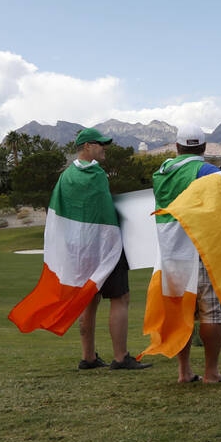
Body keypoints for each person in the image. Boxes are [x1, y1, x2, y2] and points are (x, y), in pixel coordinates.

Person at [149, 124, 221, 384]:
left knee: (181, 310)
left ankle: (184, 371)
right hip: (199, 247)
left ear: (177, 146)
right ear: (204, 147)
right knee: (212, 312)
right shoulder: (206, 170)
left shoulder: (160, 174)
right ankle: (211, 372)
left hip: (170, 252)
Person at [70, 128, 150, 371]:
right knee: (120, 298)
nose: (104, 148)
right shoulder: (96, 174)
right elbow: (105, 212)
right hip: (105, 245)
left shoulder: (67, 176)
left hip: (81, 248)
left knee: (88, 299)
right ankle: (120, 357)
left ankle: (88, 357)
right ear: (87, 146)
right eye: (100, 144)